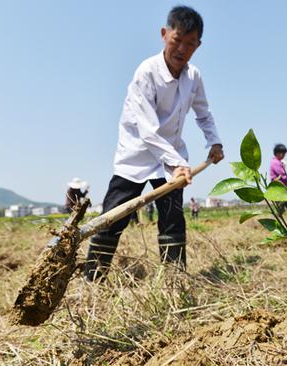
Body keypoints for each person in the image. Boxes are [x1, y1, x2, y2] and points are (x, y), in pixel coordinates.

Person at [85, 6, 224, 281]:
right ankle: (93, 280)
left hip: (170, 162)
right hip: (135, 157)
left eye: (190, 43)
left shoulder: (193, 77)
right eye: (177, 40)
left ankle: (174, 280)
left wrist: (215, 142)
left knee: (172, 220)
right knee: (113, 218)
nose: (182, 49)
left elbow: (204, 114)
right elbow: (148, 130)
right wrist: (178, 164)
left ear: (198, 45)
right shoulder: (146, 73)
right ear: (164, 34)